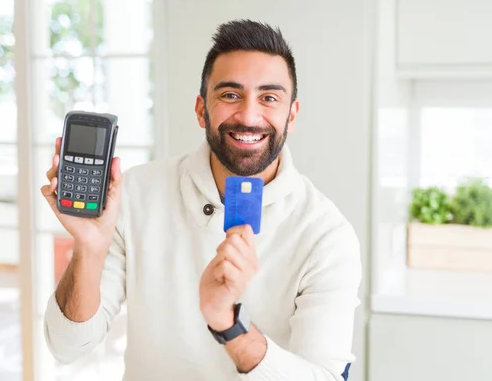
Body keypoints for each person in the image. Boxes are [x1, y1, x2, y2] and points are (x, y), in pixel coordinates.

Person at [42, 19, 361, 380]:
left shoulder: (327, 235)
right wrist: (89, 247)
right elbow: (66, 346)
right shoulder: (133, 194)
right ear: (200, 110)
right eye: (229, 95)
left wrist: (229, 323)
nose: (249, 115)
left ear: (292, 115)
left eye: (269, 97)